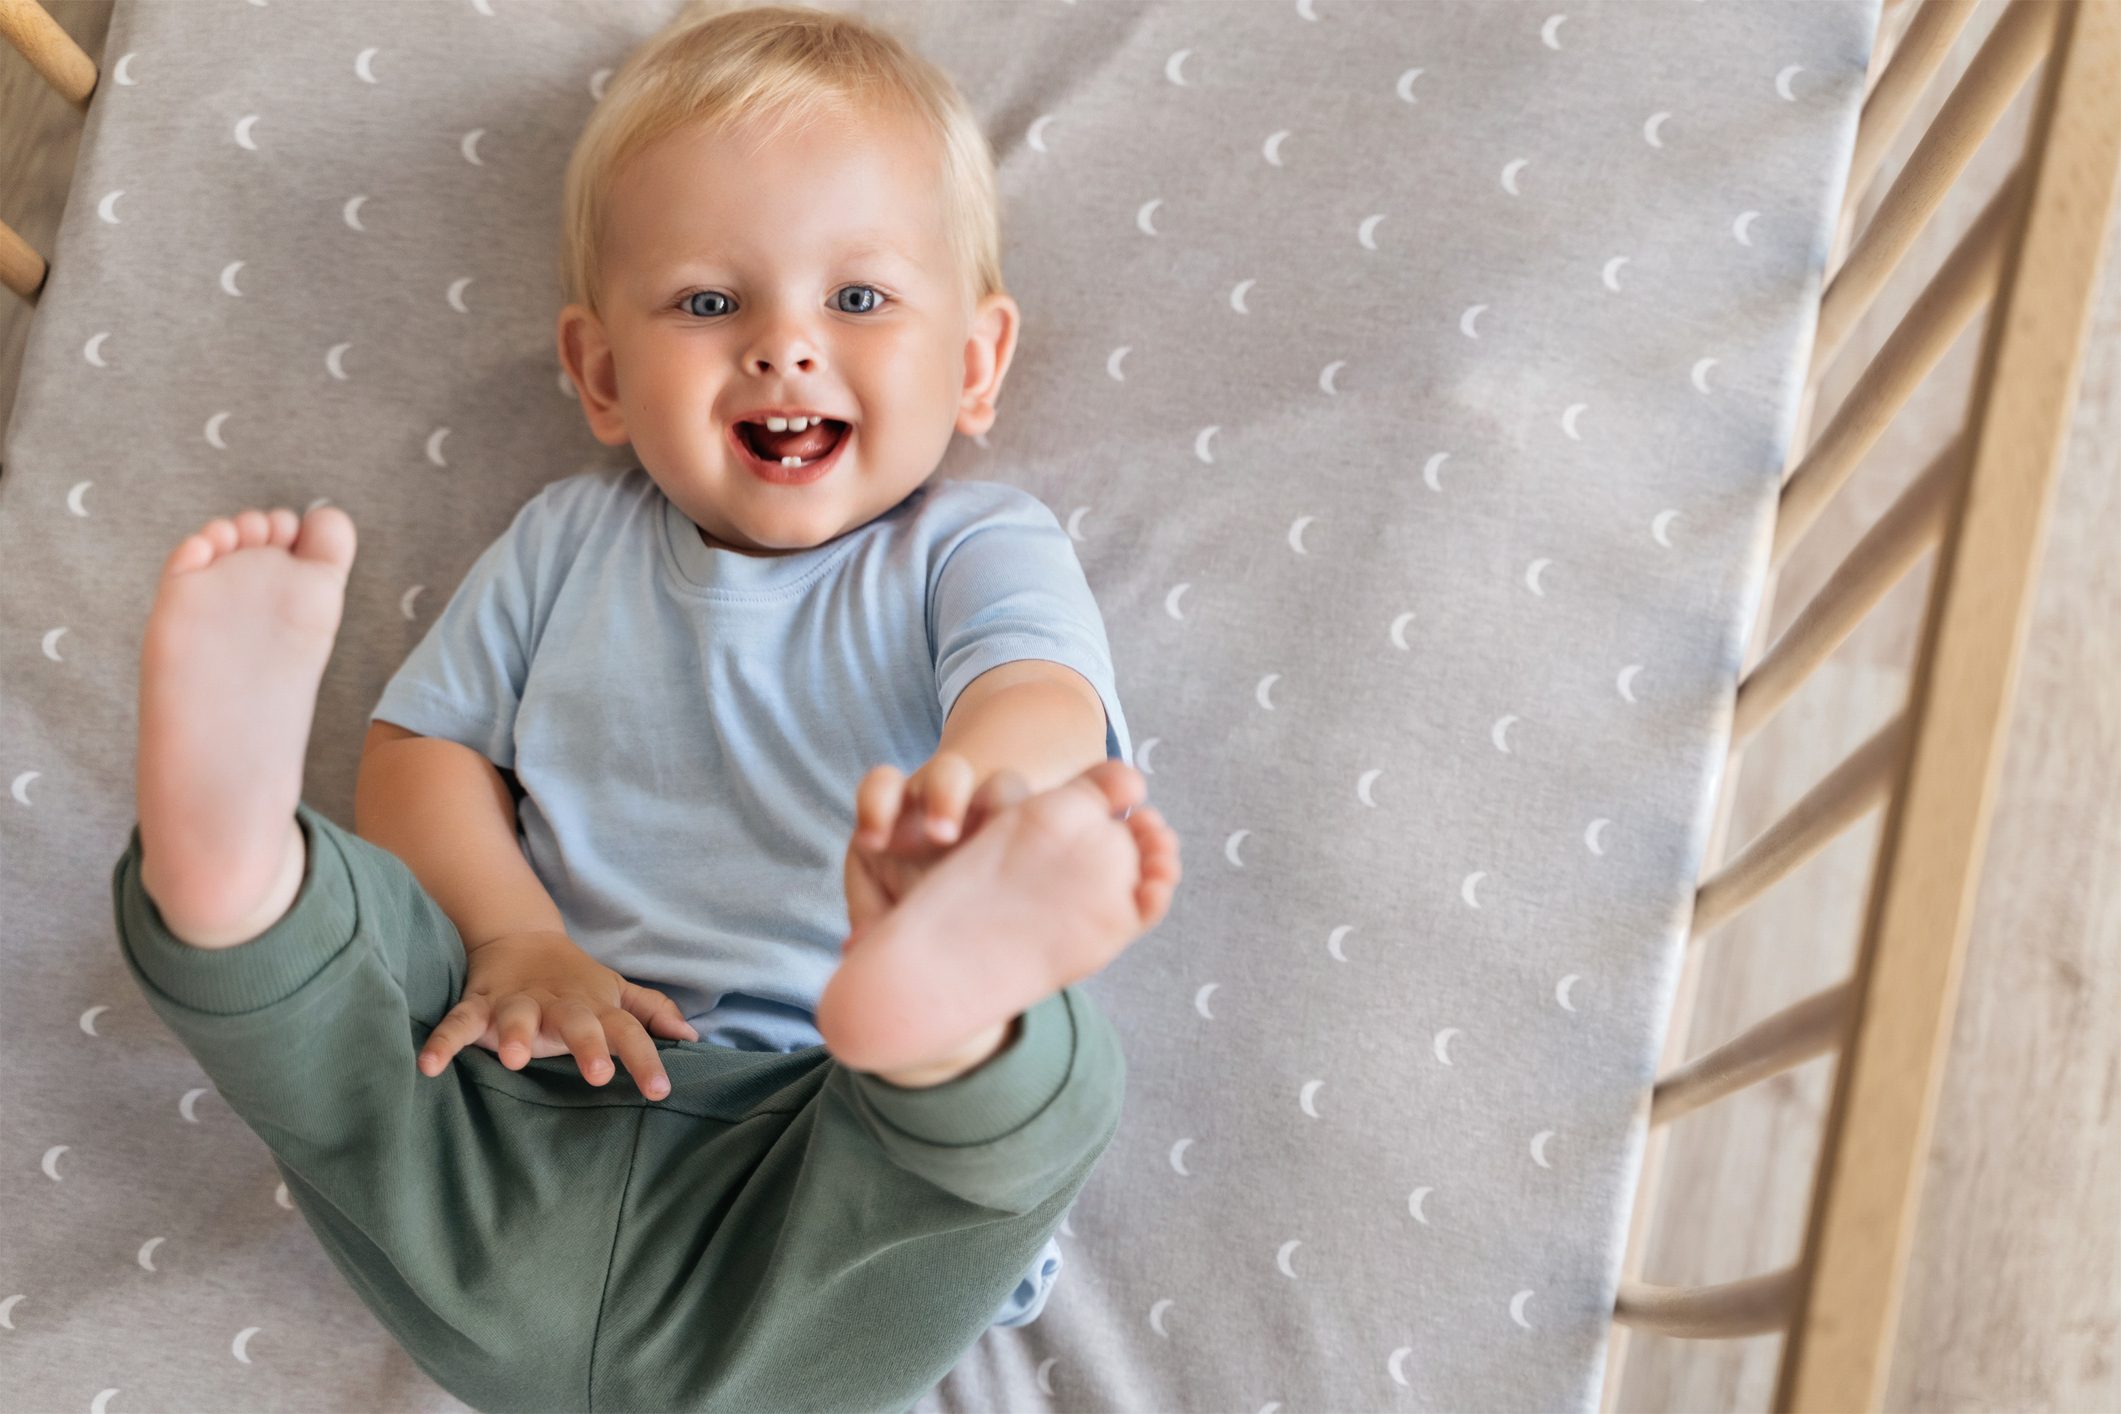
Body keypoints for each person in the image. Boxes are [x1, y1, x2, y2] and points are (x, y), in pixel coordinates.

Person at [109, 4, 1181, 1409]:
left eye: (857, 300)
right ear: (602, 374)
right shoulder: (565, 539)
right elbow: (424, 750)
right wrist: (514, 937)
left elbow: (1036, 692)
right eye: (706, 302)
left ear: (974, 365)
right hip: (508, 1080)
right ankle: (239, 873)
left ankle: (931, 1019)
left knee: (1011, 1118)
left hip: (818, 1169)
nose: (782, 348)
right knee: (352, 1017)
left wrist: (969, 806)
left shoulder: (969, 545)